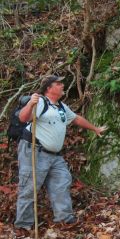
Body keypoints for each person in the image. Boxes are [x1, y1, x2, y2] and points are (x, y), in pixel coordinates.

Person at [14, 75, 107, 230]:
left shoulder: (61, 107)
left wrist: (94, 129)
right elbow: (23, 118)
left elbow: (76, 119)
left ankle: (65, 219)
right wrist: (31, 104)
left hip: (54, 156)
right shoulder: (40, 102)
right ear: (49, 88)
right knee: (29, 187)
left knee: (62, 183)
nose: (63, 85)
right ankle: (23, 225)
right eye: (58, 83)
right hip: (34, 151)